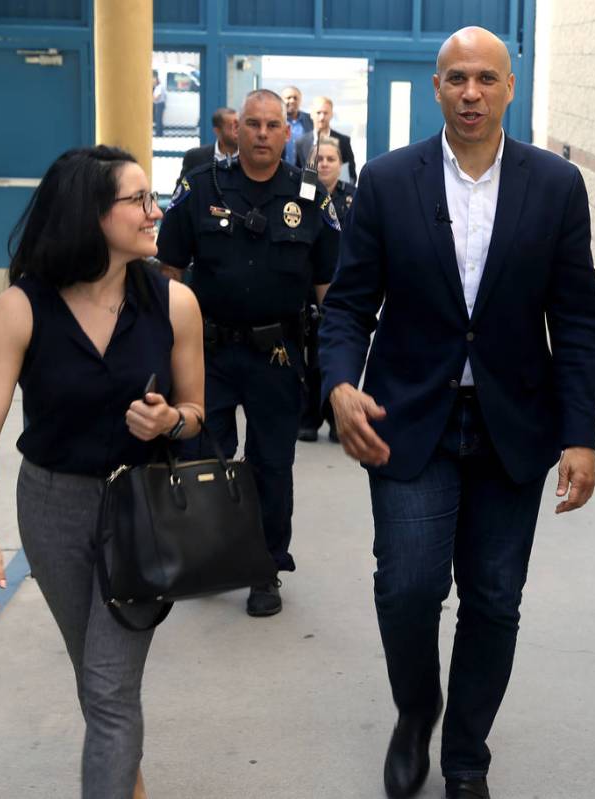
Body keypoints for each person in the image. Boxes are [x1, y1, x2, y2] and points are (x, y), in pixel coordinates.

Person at [319, 27, 595, 799]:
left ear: (509, 86)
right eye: (455, 79)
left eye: (485, 78)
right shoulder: (385, 181)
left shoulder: (554, 185)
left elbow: (576, 318)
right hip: (408, 417)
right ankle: (417, 711)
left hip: (514, 423)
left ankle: (465, 755)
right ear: (435, 88)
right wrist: (339, 384)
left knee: (492, 597)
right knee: (406, 587)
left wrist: (580, 433)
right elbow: (346, 307)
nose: (470, 92)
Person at [0, 145, 204, 799]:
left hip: (144, 511)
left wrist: (168, 423)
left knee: (107, 683)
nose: (157, 212)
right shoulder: (21, 307)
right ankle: (127, 781)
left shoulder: (174, 303)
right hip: (51, 508)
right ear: (92, 215)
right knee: (99, 680)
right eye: (140, 200)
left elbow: (196, 412)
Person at [156, 89, 340, 617]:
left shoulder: (310, 196)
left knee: (271, 465)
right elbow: (167, 275)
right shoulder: (198, 187)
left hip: (277, 354)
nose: (261, 134)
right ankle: (213, 557)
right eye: (252, 125)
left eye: (272, 125)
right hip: (205, 352)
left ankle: (264, 568)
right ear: (236, 131)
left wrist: (343, 360)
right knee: (201, 458)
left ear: (288, 132)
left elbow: (330, 285)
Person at [298, 136, 355, 443]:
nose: (324, 164)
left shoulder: (353, 197)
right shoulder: (300, 197)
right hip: (306, 286)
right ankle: (307, 417)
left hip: (341, 285)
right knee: (307, 355)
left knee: (332, 352)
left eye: (331, 159)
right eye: (318, 160)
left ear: (341, 164)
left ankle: (336, 418)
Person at [294, 96, 358, 184]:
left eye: (325, 113)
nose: (322, 117)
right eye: (318, 113)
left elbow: (351, 174)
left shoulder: (343, 141)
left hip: (336, 195)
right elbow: (298, 172)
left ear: (331, 114)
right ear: (311, 115)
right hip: (308, 194)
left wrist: (344, 195)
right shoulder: (301, 142)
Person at [177, 107, 239, 182]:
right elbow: (183, 186)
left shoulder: (248, 157)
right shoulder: (195, 157)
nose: (237, 131)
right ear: (217, 131)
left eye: (238, 126)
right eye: (232, 127)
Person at [280, 85, 313, 164]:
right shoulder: (274, 120)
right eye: (288, 98)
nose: (292, 101)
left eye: (295, 98)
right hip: (279, 171)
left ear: (300, 101)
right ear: (281, 100)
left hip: (303, 172)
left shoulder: (311, 120)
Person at [152, 70, 166, 136]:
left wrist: (151, 99)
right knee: (158, 120)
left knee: (158, 120)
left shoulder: (159, 87)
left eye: (153, 79)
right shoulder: (157, 86)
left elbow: (157, 97)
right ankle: (159, 133)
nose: (152, 80)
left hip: (159, 104)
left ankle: (159, 134)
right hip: (158, 104)